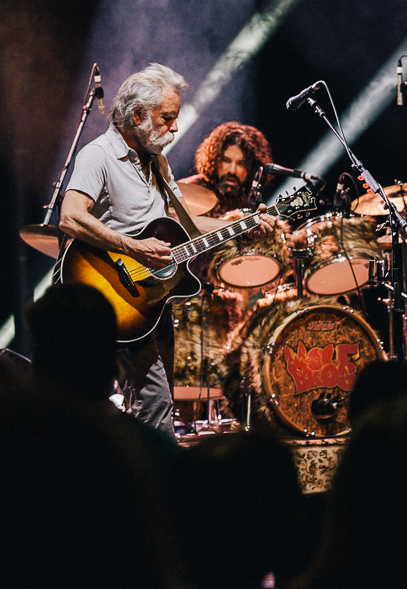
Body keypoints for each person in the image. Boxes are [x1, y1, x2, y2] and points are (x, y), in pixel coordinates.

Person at [59, 63, 276, 439]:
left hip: (153, 300)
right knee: (154, 398)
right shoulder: (99, 156)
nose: (176, 128)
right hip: (114, 292)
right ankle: (154, 483)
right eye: (167, 118)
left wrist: (243, 224)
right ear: (138, 114)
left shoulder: (156, 161)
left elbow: (187, 224)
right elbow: (70, 218)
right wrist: (135, 247)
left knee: (157, 399)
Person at [177, 120, 274, 219]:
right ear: (214, 159)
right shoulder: (188, 189)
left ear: (252, 169)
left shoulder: (249, 203)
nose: (232, 170)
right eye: (226, 160)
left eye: (241, 164)